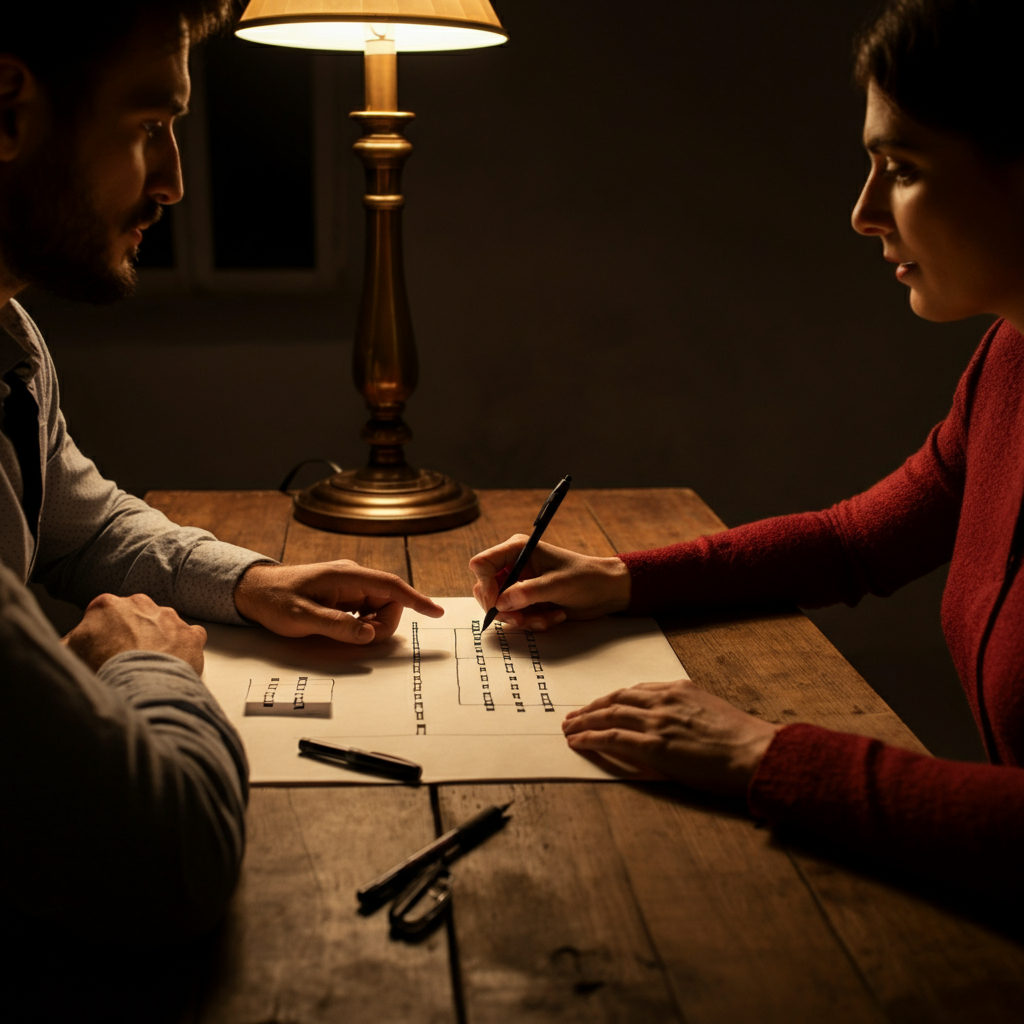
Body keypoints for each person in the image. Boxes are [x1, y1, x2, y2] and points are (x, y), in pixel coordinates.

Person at [470, 0, 1024, 912]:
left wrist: (764, 754)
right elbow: (856, 541)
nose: (862, 213)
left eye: (903, 168)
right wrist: (622, 579)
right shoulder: (1011, 358)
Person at [0, 1, 442, 939]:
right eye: (151, 127)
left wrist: (253, 582)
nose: (174, 184)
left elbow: (86, 525)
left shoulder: (12, 343)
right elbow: (171, 849)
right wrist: (147, 671)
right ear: (7, 107)